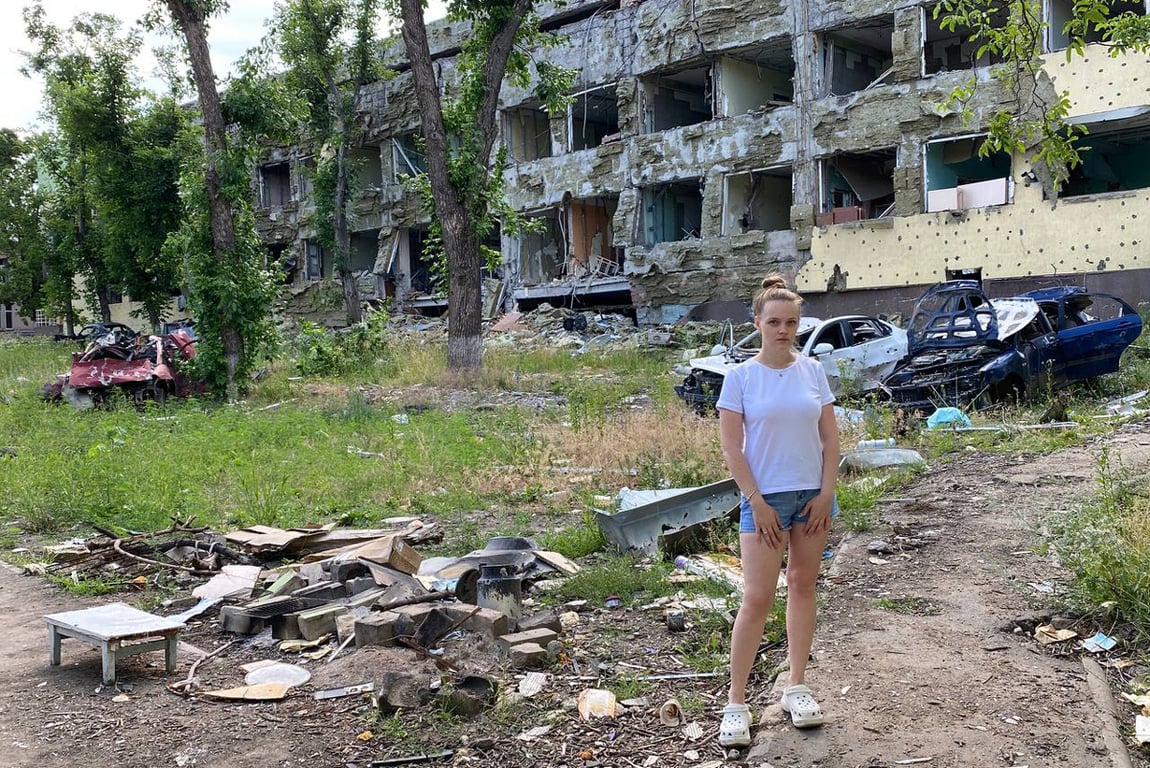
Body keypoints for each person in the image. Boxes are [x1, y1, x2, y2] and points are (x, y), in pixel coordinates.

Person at [715, 274, 840, 747]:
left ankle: (796, 687)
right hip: (763, 502)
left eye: (791, 322)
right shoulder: (740, 377)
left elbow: (830, 439)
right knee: (757, 598)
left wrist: (827, 492)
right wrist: (756, 501)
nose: (784, 329)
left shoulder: (813, 371)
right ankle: (736, 702)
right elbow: (732, 449)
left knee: (804, 586)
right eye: (774, 322)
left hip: (812, 497)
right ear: (758, 323)